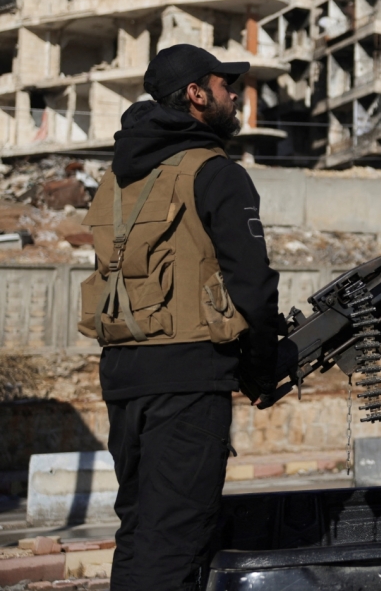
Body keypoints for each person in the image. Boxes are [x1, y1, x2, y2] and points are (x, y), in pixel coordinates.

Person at [79, 44, 284, 590]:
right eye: (223, 85)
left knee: (140, 528)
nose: (233, 95)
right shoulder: (215, 173)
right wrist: (261, 369)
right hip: (189, 376)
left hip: (123, 375)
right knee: (176, 540)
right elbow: (253, 285)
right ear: (196, 95)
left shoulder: (119, 176)